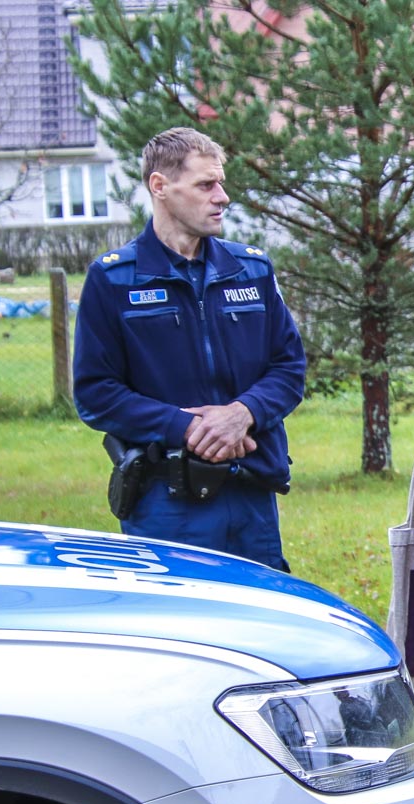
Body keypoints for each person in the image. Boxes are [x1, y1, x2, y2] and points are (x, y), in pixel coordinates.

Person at [73, 127, 305, 571]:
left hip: (251, 491)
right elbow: (96, 393)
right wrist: (185, 427)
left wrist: (243, 413)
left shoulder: (250, 270)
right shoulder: (116, 280)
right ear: (160, 187)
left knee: (259, 626)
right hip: (168, 500)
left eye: (220, 183)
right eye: (206, 185)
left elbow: (288, 367)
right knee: (180, 631)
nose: (223, 197)